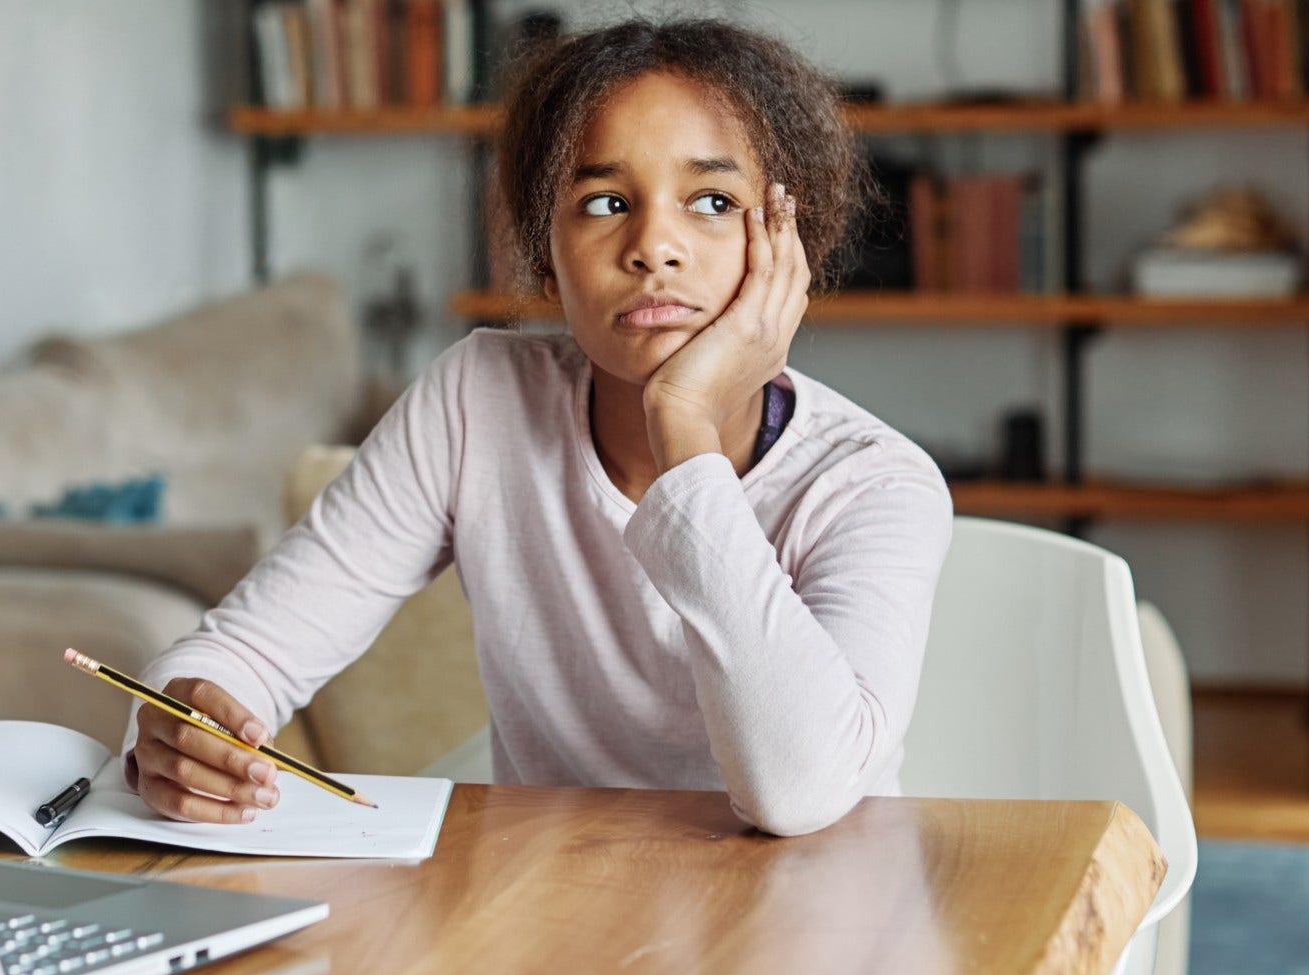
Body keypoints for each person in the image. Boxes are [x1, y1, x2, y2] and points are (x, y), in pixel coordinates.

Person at [121, 16, 953, 837]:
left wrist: (683, 423)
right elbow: (246, 653)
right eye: (605, 201)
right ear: (545, 255)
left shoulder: (877, 482)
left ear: (786, 246)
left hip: (817, 923)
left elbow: (799, 796)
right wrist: (187, 717)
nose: (654, 245)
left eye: (710, 200)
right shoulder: (477, 401)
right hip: (554, 906)